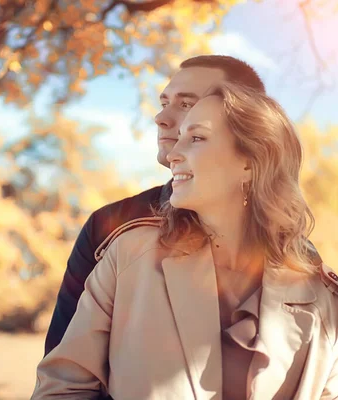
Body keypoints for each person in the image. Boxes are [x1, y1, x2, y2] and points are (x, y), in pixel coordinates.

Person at [31, 82, 338, 399]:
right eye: (178, 138)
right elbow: (63, 389)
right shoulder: (128, 257)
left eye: (196, 138)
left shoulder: (327, 302)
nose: (173, 153)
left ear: (250, 161)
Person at [43, 55, 271, 356]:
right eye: (165, 102)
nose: (160, 118)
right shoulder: (109, 229)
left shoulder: (291, 253)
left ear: (245, 124)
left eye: (187, 105)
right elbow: (62, 366)